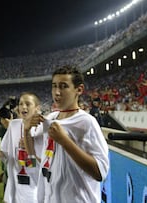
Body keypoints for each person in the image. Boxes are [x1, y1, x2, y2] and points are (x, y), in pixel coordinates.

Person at [30, 65, 109, 203]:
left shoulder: (86, 122)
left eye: (63, 86)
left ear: (79, 90)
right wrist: (26, 129)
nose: (57, 92)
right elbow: (38, 158)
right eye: (54, 86)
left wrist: (65, 141)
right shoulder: (50, 118)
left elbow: (100, 172)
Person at [0, 92, 44, 203]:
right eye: (21, 104)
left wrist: (30, 146)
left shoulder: (44, 129)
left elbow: (44, 162)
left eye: (28, 104)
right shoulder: (13, 125)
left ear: (37, 108)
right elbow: (5, 149)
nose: (23, 107)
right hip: (14, 189)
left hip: (34, 190)